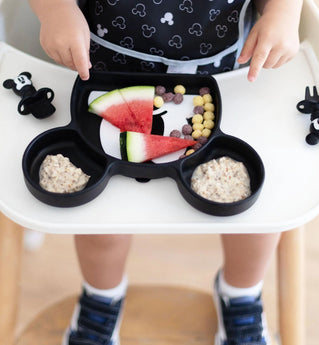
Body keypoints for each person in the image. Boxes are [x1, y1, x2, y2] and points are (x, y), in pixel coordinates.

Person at [28, 1, 303, 344]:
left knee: (255, 221)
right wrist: (54, 10)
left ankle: (241, 294)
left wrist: (284, 12)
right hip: (106, 77)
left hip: (229, 81)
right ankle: (101, 294)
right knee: (101, 227)